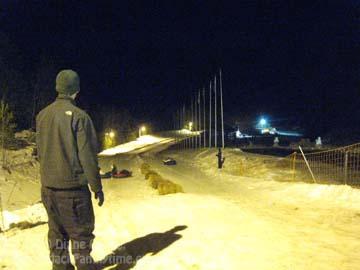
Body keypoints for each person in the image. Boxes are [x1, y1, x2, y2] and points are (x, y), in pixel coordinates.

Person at [36, 69, 104, 270]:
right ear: (76, 90)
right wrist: (96, 187)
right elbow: (88, 156)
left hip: (48, 190)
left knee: (57, 238)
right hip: (73, 192)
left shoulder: (42, 116)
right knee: (81, 239)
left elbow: (41, 152)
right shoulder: (79, 117)